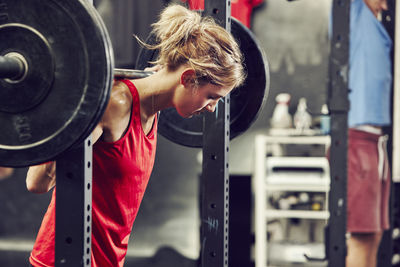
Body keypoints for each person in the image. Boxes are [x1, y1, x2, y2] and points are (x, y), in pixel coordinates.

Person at [26, 4, 245, 267]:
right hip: (64, 257)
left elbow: (162, 81)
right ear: (187, 79)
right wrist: (68, 109)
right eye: (212, 96)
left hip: (107, 260)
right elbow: (36, 182)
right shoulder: (115, 105)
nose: (211, 107)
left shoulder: (154, 107)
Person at [346, 0, 392, 266]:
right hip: (357, 139)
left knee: (374, 235)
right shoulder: (353, 12)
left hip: (376, 141)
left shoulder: (375, 21)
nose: (385, 6)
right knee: (361, 239)